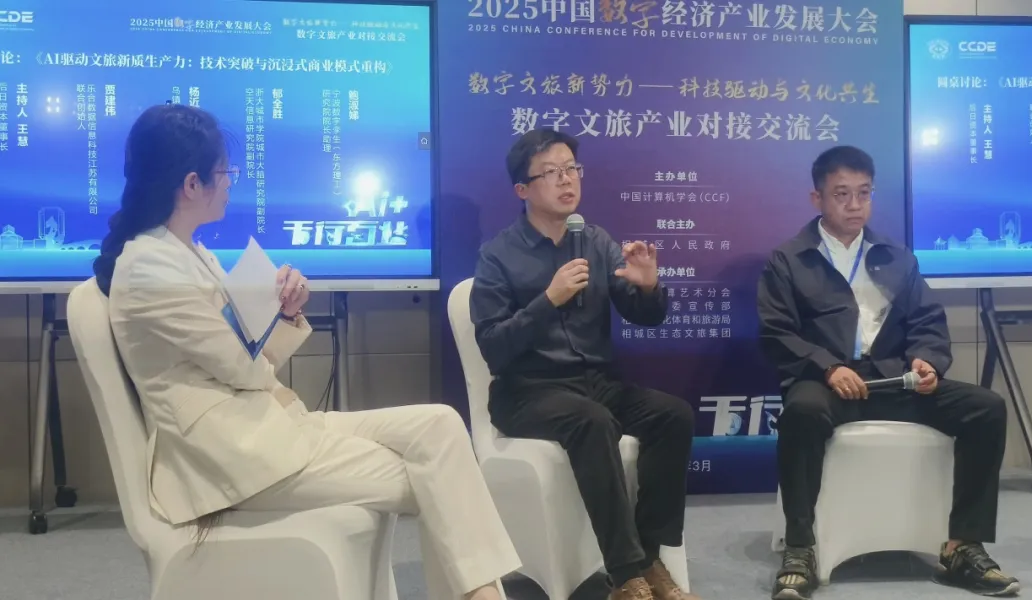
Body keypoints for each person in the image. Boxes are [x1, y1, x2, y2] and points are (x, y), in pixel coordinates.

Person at [95, 104, 521, 600]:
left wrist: (283, 312)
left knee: (441, 425)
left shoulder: (189, 253)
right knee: (439, 476)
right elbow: (243, 367)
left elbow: (246, 360)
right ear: (192, 184)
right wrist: (260, 325)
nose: (230, 184)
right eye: (225, 173)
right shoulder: (151, 270)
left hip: (268, 428)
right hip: (234, 457)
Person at [757, 145, 1019, 600]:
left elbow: (928, 322)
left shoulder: (897, 258)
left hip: (895, 380)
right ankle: (800, 547)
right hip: (828, 384)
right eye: (841, 194)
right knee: (801, 412)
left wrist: (927, 360)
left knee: (986, 408)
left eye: (864, 193)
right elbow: (776, 332)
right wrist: (828, 367)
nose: (854, 205)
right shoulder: (790, 259)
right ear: (817, 198)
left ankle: (963, 545)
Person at [469, 127, 697, 600]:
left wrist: (649, 286)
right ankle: (626, 575)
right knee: (592, 422)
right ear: (523, 189)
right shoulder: (497, 255)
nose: (566, 179)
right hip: (527, 390)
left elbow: (645, 315)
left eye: (571, 168)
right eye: (551, 172)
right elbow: (493, 346)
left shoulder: (596, 241)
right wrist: (548, 300)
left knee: (672, 415)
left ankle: (649, 556)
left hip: (595, 382)